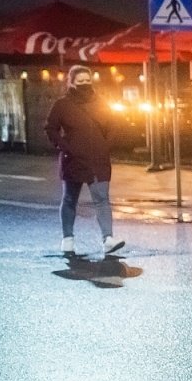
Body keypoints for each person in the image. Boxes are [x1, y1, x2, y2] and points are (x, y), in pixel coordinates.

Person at [45, 65, 122, 257]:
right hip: (73, 159)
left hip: (98, 159)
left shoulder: (101, 103)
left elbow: (114, 126)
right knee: (70, 199)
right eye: (80, 82)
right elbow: (51, 128)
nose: (84, 84)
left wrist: (105, 145)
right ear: (71, 82)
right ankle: (67, 239)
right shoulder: (62, 105)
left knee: (102, 199)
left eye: (87, 81)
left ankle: (108, 239)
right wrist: (65, 146)